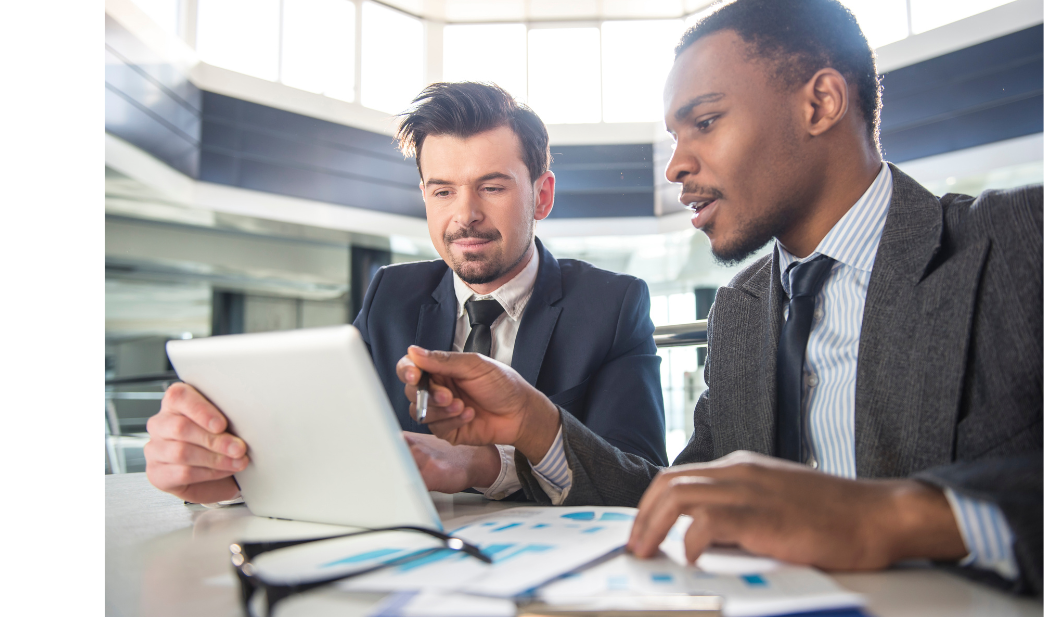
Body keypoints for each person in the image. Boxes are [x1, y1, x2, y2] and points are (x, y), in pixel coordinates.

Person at [399, 0, 1042, 595]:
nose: (676, 165)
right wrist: (536, 426)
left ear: (819, 103)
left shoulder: (1022, 241)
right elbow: (675, 495)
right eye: (676, 136)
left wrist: (898, 516)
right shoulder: (741, 310)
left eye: (704, 121)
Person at [142, 82, 667, 506]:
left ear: (542, 195)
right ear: (425, 198)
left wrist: (486, 463)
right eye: (443, 191)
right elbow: (327, 434)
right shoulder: (392, 294)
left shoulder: (613, 305)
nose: (464, 216)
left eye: (492, 186)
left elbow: (638, 481)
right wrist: (227, 471)